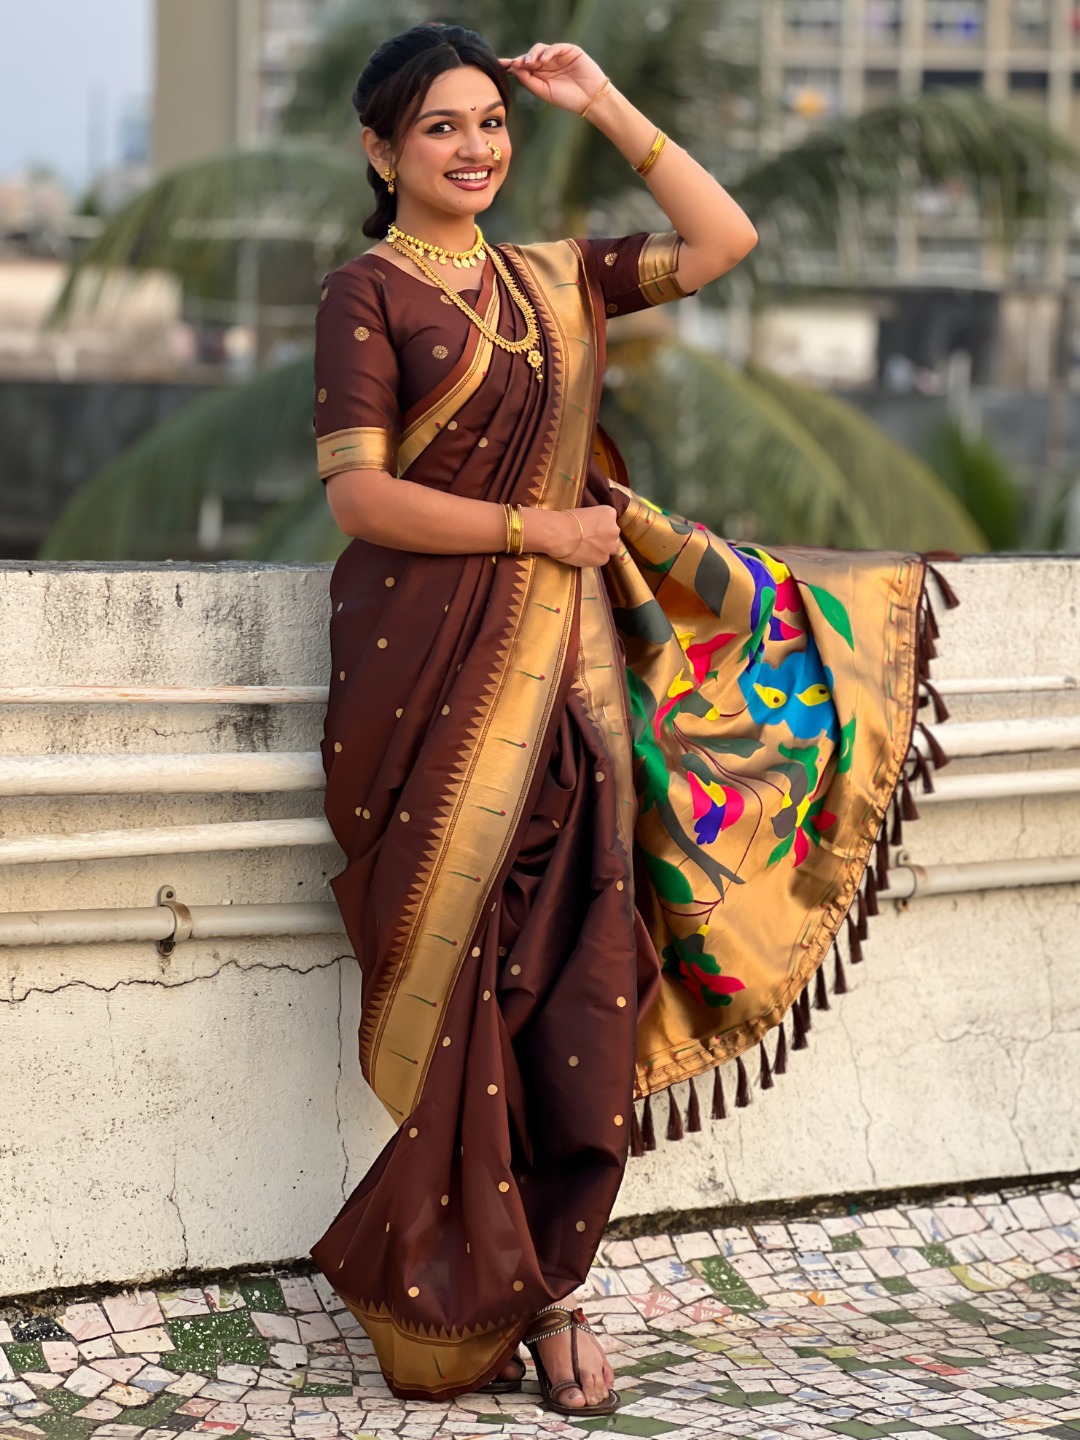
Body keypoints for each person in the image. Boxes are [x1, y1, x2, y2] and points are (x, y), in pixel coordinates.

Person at [309, 22, 946, 1418]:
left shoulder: (555, 279)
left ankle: (557, 1296)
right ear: (380, 150)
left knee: (576, 973)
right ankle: (464, 1287)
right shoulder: (363, 295)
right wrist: (538, 527)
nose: (475, 147)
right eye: (439, 128)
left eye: (491, 121)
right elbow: (359, 497)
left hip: (568, 690)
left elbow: (725, 238)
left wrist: (600, 100)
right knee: (465, 984)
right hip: (425, 685)